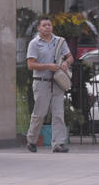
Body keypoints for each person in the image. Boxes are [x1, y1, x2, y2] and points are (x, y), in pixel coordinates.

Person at [25, 16, 73, 153]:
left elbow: (70, 56)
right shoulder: (34, 44)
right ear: (38, 28)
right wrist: (48, 66)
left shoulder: (60, 41)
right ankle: (32, 140)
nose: (47, 27)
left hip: (57, 82)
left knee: (58, 113)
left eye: (49, 25)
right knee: (39, 113)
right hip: (41, 83)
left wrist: (66, 62)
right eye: (44, 25)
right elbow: (30, 64)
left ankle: (58, 144)